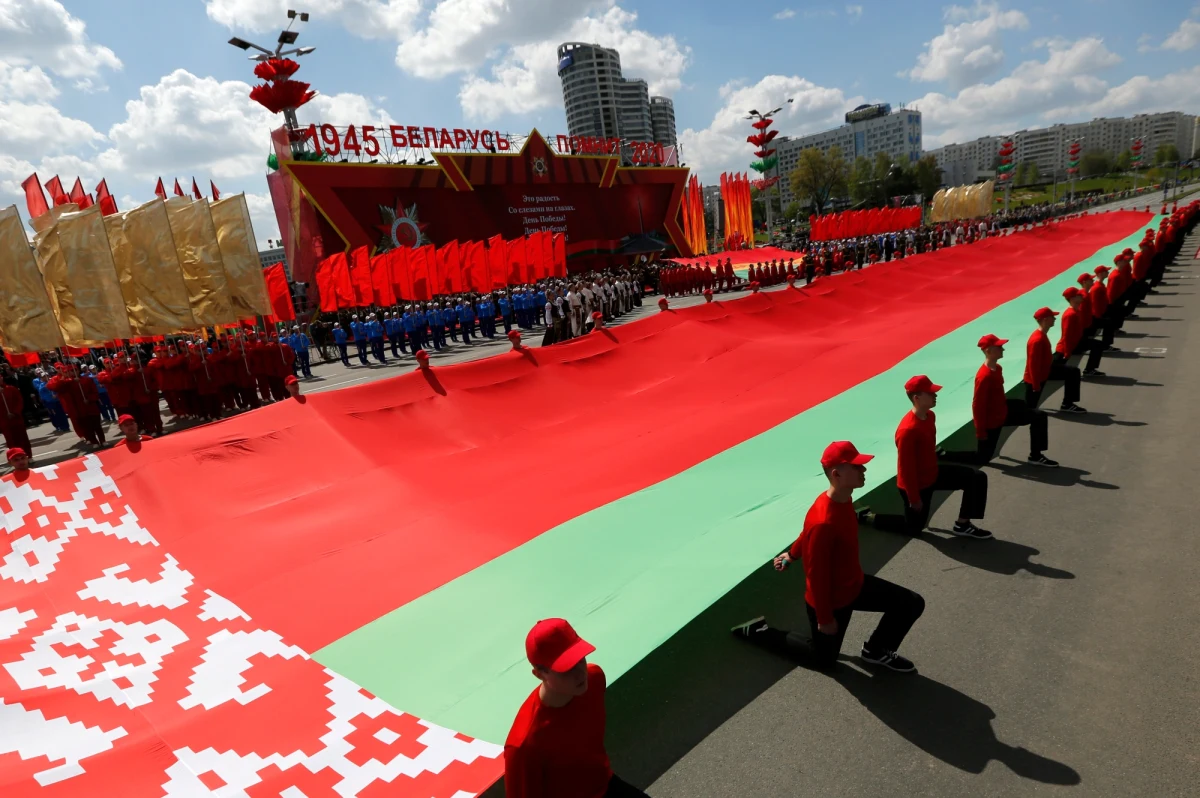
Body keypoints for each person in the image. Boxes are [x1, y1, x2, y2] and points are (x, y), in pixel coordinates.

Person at [731, 441, 925, 672]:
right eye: (856, 467)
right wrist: (824, 618)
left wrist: (791, 556)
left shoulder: (843, 499)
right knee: (823, 661)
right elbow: (816, 577)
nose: (863, 470)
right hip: (831, 601)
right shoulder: (824, 521)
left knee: (911, 603)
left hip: (854, 585)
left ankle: (875, 650)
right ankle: (760, 632)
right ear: (837, 474)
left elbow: (805, 534)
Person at [503, 618, 649, 798]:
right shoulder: (524, 746)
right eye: (566, 669)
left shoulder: (594, 679)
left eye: (580, 659)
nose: (580, 673)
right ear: (539, 674)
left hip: (605, 786)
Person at [866, 376, 991, 539]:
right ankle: (868, 517)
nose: (935, 396)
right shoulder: (908, 431)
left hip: (933, 473)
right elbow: (906, 469)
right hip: (917, 485)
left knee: (977, 478)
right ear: (917, 398)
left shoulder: (930, 416)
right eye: (931, 393)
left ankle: (962, 524)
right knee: (913, 529)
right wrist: (914, 499)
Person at [973, 334, 1058, 467]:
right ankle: (945, 455)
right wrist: (980, 431)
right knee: (982, 458)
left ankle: (1035, 456)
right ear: (988, 350)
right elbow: (978, 405)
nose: (1003, 350)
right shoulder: (984, 376)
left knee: (1039, 416)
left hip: (1003, 411)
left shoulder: (997, 368)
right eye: (999, 347)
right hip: (993, 421)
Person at [1024, 307, 1085, 413]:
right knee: (1030, 411)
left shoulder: (1042, 335)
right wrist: (1035, 384)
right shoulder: (1037, 340)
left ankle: (1067, 404)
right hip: (1036, 377)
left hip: (1046, 371)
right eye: (1052, 317)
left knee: (1073, 372)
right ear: (1045, 320)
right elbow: (1033, 364)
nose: (1055, 319)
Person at [1057, 287, 1105, 377]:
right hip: (1069, 345)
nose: (1082, 296)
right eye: (1079, 295)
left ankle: (1090, 369)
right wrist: (1067, 352)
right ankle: (1089, 370)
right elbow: (1066, 335)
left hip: (1077, 342)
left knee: (1098, 345)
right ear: (1072, 299)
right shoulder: (1070, 314)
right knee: (1055, 369)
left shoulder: (1077, 311)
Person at [1, 375, 32, 459]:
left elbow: (19, 401)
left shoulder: (11, 389)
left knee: (22, 438)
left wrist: (15, 412)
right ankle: (15, 458)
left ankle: (28, 456)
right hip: (4, 420)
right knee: (10, 440)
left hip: (16, 418)